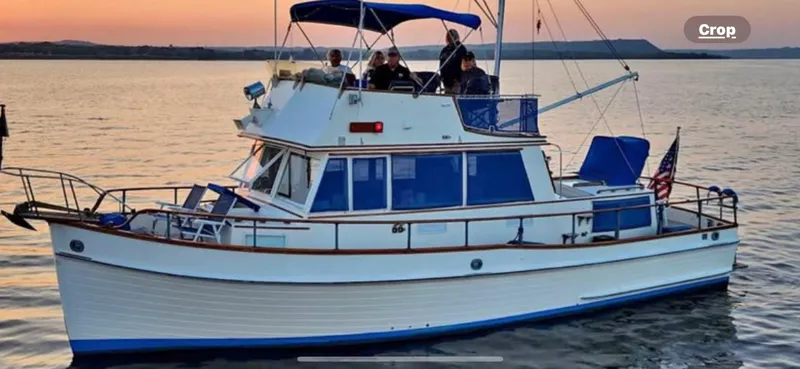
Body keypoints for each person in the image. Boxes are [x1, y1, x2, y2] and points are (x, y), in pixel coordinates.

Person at [439, 29, 467, 94]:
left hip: (456, 80)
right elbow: (441, 63)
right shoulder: (445, 50)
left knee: (454, 97)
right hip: (446, 80)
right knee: (449, 97)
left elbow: (464, 65)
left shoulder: (460, 49)